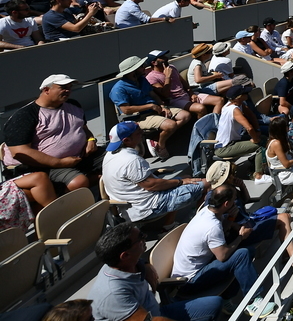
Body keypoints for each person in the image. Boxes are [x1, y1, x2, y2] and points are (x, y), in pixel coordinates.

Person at [170, 184, 274, 313]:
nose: (235, 202)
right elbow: (222, 255)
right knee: (242, 254)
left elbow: (219, 234)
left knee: (249, 251)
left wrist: (231, 219)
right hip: (190, 282)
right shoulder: (212, 226)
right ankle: (254, 302)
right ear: (226, 204)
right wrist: (240, 237)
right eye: (234, 200)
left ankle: (226, 299)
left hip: (194, 272)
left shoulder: (205, 211)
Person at [90, 222, 224, 321]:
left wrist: (146, 265)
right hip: (151, 318)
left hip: (157, 310)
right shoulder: (113, 294)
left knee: (215, 303)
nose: (145, 237)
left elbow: (139, 260)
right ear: (125, 255)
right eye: (141, 237)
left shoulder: (124, 263)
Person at [2, 74, 104, 192]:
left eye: (70, 87)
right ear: (46, 90)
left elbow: (83, 127)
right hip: (42, 166)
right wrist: (59, 163)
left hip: (79, 157)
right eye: (63, 87)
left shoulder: (73, 105)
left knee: (116, 159)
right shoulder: (25, 115)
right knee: (78, 182)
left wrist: (90, 139)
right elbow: (19, 152)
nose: (68, 91)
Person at [101, 121, 208, 223]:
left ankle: (168, 225)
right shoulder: (131, 160)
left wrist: (181, 180)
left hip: (133, 204)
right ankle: (198, 221)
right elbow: (151, 185)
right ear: (127, 140)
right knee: (208, 183)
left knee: (186, 177)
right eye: (138, 133)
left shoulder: (109, 155)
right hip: (149, 207)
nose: (142, 133)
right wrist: (179, 182)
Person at [109, 56, 191, 160]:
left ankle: (157, 138)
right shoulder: (119, 89)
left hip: (155, 109)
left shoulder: (142, 80)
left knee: (185, 116)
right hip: (140, 117)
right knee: (171, 125)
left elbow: (153, 95)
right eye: (141, 66)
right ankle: (160, 146)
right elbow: (125, 110)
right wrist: (150, 106)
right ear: (132, 71)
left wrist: (162, 106)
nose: (144, 67)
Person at [214, 86, 267, 182]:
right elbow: (249, 128)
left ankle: (253, 163)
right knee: (260, 146)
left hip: (234, 141)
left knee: (264, 138)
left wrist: (258, 130)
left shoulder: (238, 104)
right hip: (224, 148)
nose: (247, 95)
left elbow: (251, 115)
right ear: (238, 97)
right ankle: (258, 175)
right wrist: (255, 139)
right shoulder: (234, 110)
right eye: (245, 94)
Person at [146, 49, 220, 118]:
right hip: (175, 100)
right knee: (201, 108)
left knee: (219, 100)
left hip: (186, 94)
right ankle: (202, 130)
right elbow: (165, 94)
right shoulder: (151, 77)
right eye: (162, 57)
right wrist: (168, 77)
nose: (166, 58)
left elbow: (183, 82)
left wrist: (191, 93)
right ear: (154, 62)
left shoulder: (172, 67)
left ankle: (213, 123)